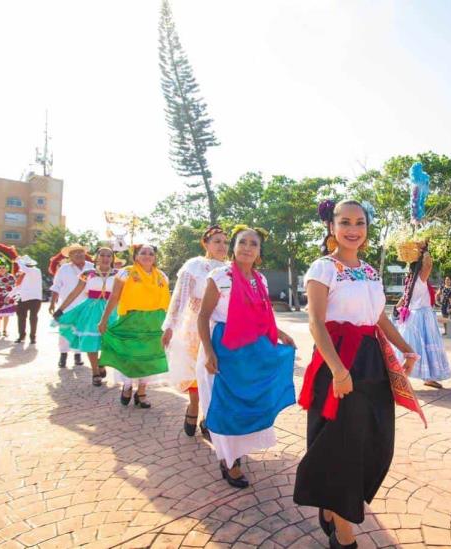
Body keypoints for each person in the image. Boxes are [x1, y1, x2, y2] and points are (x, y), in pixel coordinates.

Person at [293, 199, 419, 549]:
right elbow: (316, 322)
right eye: (345, 222)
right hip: (337, 362)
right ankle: (344, 533)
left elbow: (378, 318)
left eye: (360, 222)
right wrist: (337, 369)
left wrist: (405, 348)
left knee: (374, 442)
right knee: (342, 446)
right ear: (331, 227)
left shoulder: (370, 271)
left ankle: (333, 509)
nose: (353, 229)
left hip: (372, 363)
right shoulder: (323, 268)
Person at [196, 225, 296, 488]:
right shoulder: (220, 277)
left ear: (259, 251)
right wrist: (208, 352)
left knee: (248, 403)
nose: (248, 248)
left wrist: (280, 334)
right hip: (224, 348)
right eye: (243, 242)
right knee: (226, 405)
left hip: (251, 351)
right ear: (234, 247)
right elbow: (203, 316)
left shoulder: (259, 280)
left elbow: (261, 316)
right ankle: (229, 462)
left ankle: (235, 452)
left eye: (253, 244)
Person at [162, 225, 228, 437]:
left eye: (225, 242)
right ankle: (193, 406)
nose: (222, 246)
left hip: (219, 326)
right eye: (217, 241)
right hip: (194, 326)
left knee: (216, 372)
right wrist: (170, 326)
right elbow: (179, 298)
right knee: (195, 371)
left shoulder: (230, 269)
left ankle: (208, 417)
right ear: (205, 244)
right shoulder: (195, 266)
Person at [98, 244, 170, 409]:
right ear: (136, 256)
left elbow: (167, 303)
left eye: (151, 253)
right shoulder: (126, 273)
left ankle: (142, 391)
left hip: (155, 322)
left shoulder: (162, 276)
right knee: (129, 355)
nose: (147, 256)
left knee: (149, 358)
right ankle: (128, 385)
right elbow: (114, 297)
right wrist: (104, 320)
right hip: (131, 320)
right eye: (143, 253)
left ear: (155, 257)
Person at [53, 248, 118, 386]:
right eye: (102, 255)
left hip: (111, 309)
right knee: (90, 340)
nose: (105, 258)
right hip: (91, 310)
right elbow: (75, 293)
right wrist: (61, 309)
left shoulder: (119, 274)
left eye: (109, 255)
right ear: (96, 257)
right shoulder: (87, 274)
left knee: (110, 341)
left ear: (112, 258)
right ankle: (95, 371)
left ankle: (102, 363)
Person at [394, 248, 451, 389]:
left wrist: (396, 308)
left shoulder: (410, 282)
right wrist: (425, 250)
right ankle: (404, 379)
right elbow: (428, 265)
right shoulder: (420, 279)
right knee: (422, 347)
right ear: (419, 269)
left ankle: (426, 377)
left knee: (415, 347)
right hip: (421, 317)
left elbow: (403, 299)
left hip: (412, 317)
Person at [50, 245, 93, 368]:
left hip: (86, 306)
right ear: (70, 256)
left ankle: (77, 355)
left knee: (81, 331)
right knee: (65, 331)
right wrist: (53, 302)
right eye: (75, 253)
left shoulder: (91, 267)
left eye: (81, 252)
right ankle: (63, 355)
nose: (79, 254)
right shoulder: (64, 268)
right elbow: (56, 286)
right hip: (67, 306)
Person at [12, 255, 43, 344]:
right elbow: (18, 287)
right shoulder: (23, 274)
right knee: (21, 318)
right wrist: (9, 295)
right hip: (23, 298)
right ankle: (21, 336)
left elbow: (25, 269)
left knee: (33, 318)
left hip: (35, 298)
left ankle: (33, 337)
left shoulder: (36, 271)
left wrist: (18, 260)